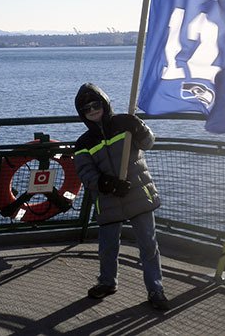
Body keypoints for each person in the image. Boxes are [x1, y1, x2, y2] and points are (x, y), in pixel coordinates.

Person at [73, 82, 170, 311]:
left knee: (148, 245)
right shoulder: (83, 143)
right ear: (82, 114)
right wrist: (107, 183)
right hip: (108, 200)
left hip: (137, 193)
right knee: (107, 247)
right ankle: (107, 282)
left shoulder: (125, 125)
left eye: (96, 105)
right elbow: (86, 174)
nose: (93, 110)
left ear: (105, 104)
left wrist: (139, 127)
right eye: (87, 109)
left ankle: (156, 289)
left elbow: (149, 143)